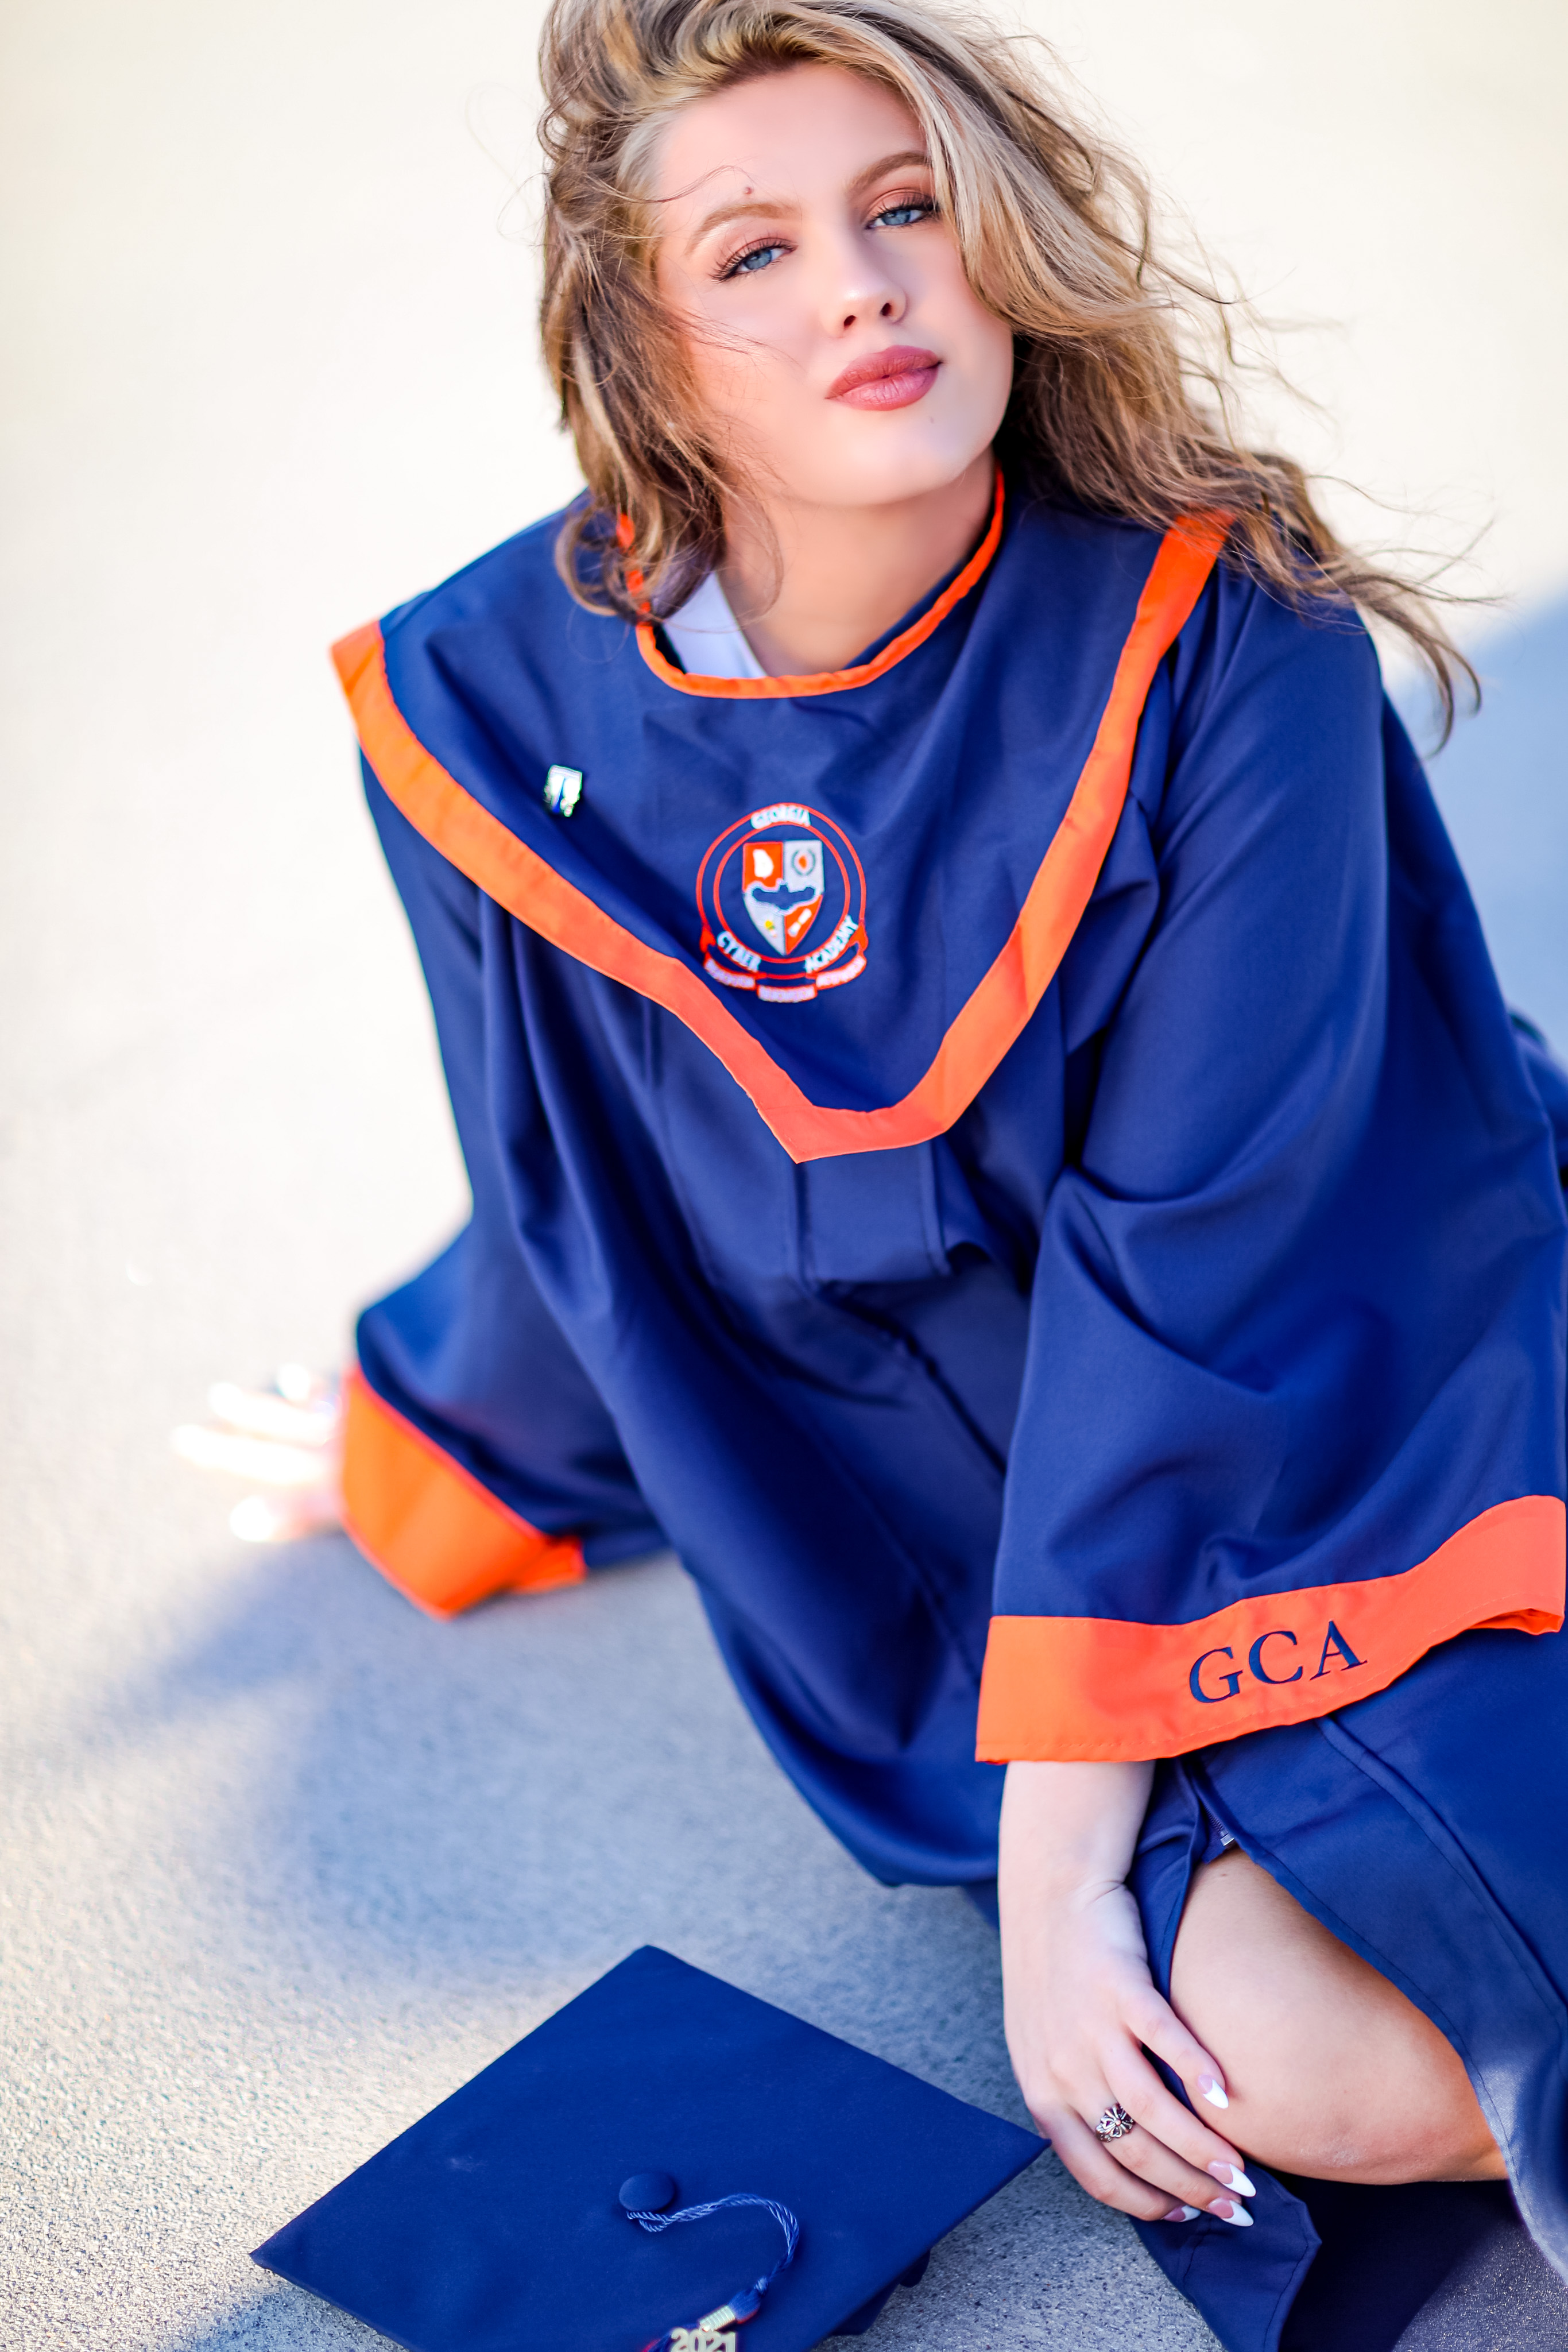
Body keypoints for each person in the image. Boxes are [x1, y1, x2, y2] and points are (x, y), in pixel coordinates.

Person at [181, 2, 1568, 2343]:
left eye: (905, 206)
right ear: (643, 349)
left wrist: (1053, 1878)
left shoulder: (1224, 648)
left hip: (1345, 1397)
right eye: (754, 250)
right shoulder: (497, 721)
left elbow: (1212, 1274)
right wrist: (439, 1430)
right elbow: (578, 1168)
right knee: (1287, 2063)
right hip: (931, 1553)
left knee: (1467, 1964)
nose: (860, 287)